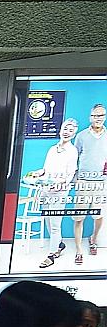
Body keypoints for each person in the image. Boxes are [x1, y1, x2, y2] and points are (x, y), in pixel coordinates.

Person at [36, 118, 79, 268]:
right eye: (65, 129)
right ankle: (59, 244)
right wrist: (37, 173)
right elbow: (45, 170)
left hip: (59, 193)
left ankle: (51, 255)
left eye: (71, 130)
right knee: (48, 220)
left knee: (55, 224)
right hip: (46, 190)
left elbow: (70, 174)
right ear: (60, 130)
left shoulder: (72, 152)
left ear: (74, 134)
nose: (67, 132)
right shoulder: (52, 149)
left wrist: (61, 184)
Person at [75, 104, 107, 262]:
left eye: (101, 115)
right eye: (95, 115)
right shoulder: (81, 136)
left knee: (98, 216)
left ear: (105, 117)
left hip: (101, 183)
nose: (98, 118)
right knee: (79, 217)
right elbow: (75, 157)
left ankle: (93, 239)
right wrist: (76, 179)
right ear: (90, 117)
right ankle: (79, 250)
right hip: (83, 183)